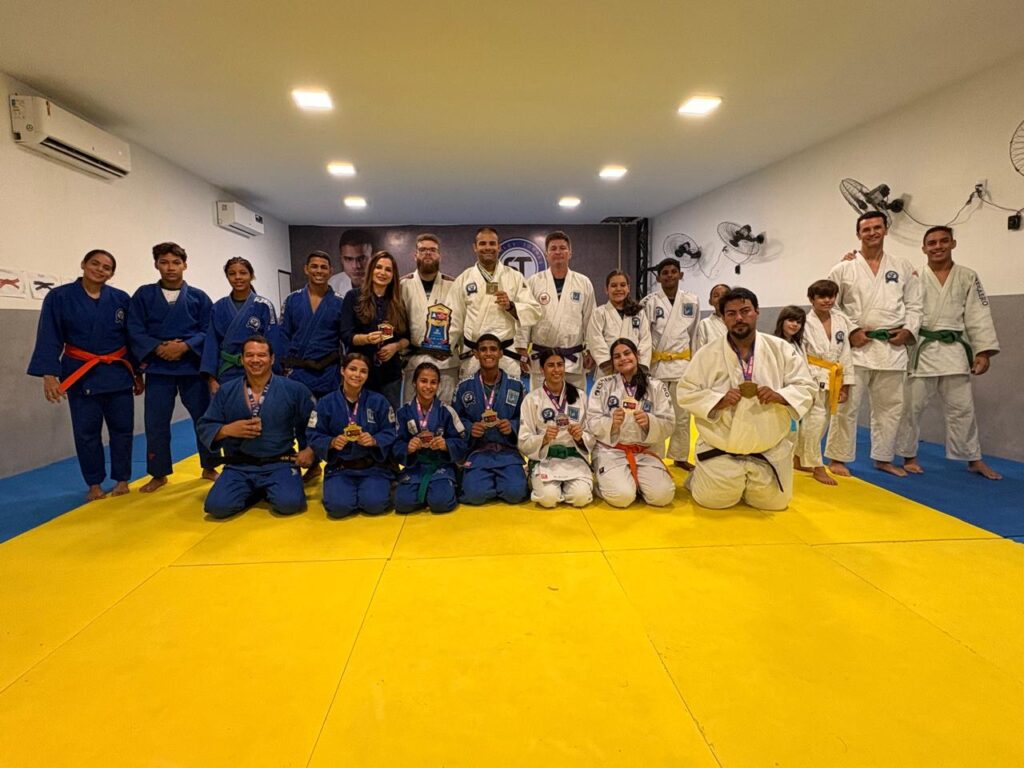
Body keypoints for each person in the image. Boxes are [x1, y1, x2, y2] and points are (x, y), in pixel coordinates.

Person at [678, 288, 817, 510]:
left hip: (768, 449)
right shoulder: (707, 353)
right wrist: (718, 400)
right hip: (720, 450)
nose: (739, 318)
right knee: (713, 502)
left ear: (757, 312)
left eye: (745, 311)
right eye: (731, 313)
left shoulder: (780, 348)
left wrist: (780, 396)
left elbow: (806, 386)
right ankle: (700, 477)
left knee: (775, 505)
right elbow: (686, 391)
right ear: (723, 318)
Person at [27, 249, 143, 501]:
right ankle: (94, 483)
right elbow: (49, 335)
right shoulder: (59, 297)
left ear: (112, 274)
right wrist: (49, 374)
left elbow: (131, 338)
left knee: (122, 430)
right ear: (83, 264)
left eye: (106, 267)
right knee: (86, 432)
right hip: (81, 374)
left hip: (117, 372)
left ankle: (122, 479)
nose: (100, 269)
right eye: (95, 263)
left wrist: (136, 372)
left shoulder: (121, 298)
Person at [895, 226, 1001, 479]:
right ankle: (909, 455)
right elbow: (901, 309)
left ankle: (973, 458)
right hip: (922, 349)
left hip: (954, 350)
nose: (938, 247)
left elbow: (978, 314)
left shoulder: (968, 276)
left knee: (963, 408)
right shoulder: (914, 276)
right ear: (924, 249)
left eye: (944, 241)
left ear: (953, 244)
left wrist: (983, 352)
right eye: (932, 243)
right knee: (911, 407)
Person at [825, 211, 923, 477]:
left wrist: (908, 331)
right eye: (866, 229)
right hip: (856, 347)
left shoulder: (903, 266)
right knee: (846, 405)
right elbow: (831, 305)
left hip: (892, 346)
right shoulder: (842, 269)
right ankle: (837, 457)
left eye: (877, 227)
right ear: (858, 234)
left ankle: (883, 458)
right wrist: (852, 330)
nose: (872, 233)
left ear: (885, 230)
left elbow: (914, 305)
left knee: (890, 409)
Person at [128, 242, 218, 493]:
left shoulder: (199, 297)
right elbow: (134, 329)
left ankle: (210, 465)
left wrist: (186, 346)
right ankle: (159, 474)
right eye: (164, 262)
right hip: (158, 368)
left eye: (176, 262)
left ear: (184, 265)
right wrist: (158, 347)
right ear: (156, 264)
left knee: (204, 418)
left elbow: (209, 330)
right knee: (156, 422)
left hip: (192, 367)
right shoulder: (144, 295)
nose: (170, 268)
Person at [196, 336, 315, 519]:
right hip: (240, 465)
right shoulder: (226, 391)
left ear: (272, 359)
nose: (255, 360)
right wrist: (227, 430)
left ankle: (266, 488)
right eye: (250, 355)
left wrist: (309, 450)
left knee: (289, 504)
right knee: (216, 507)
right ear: (242, 359)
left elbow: (315, 422)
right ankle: (257, 490)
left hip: (280, 462)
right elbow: (205, 425)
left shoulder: (294, 389)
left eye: (262, 355)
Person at [586, 338, 676, 508]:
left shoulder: (656, 386)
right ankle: (608, 483)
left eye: (627, 353)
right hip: (612, 451)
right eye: (617, 356)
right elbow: (591, 420)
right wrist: (611, 423)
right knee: (622, 497)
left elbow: (669, 422)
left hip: (644, 451)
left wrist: (649, 422)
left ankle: (635, 483)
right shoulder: (603, 385)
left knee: (663, 496)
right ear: (613, 362)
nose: (623, 358)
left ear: (637, 355)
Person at [279, 250, 345, 482]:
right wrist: (282, 368)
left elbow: (344, 338)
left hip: (329, 369)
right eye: (314, 266)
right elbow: (283, 335)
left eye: (323, 267)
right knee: (301, 419)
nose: (319, 271)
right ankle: (311, 463)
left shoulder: (339, 302)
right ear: (306, 269)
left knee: (331, 417)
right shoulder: (293, 300)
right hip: (299, 370)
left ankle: (335, 463)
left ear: (331, 271)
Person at [307, 353, 398, 517]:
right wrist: (331, 442)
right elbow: (313, 433)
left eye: (363, 371)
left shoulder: (379, 401)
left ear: (368, 375)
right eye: (352, 369)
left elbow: (391, 431)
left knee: (375, 505)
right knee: (338, 508)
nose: (357, 375)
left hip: (373, 467)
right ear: (343, 370)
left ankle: (380, 486)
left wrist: (374, 440)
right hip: (340, 468)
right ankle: (345, 490)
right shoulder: (326, 403)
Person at [448, 227, 542, 379]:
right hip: (473, 356)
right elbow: (454, 319)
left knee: (508, 393)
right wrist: (444, 347)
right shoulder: (463, 279)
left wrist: (511, 306)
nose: (487, 248)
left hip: (505, 355)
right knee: (472, 393)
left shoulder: (515, 277)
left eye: (492, 243)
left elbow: (534, 311)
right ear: (475, 247)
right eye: (482, 243)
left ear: (499, 247)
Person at [453, 334, 529, 504]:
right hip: (478, 452)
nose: (488, 353)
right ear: (476, 354)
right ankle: (480, 479)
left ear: (501, 353)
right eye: (483, 349)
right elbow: (456, 420)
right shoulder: (464, 387)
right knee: (475, 495)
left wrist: (512, 426)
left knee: (515, 494)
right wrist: (470, 428)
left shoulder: (517, 386)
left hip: (507, 453)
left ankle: (505, 481)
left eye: (493, 349)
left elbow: (527, 419)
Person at [515, 231, 596, 391]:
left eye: (562, 248)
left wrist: (591, 351)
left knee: (575, 403)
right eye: (553, 248)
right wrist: (522, 349)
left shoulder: (583, 283)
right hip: (542, 361)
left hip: (572, 360)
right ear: (546, 254)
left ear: (570, 253)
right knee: (540, 402)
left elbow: (590, 320)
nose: (558, 252)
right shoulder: (534, 282)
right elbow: (525, 319)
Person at [642, 257, 700, 469]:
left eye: (673, 272)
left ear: (680, 275)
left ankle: (680, 455)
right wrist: (643, 367)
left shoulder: (692, 301)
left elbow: (694, 334)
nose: (669, 276)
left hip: (682, 365)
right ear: (658, 278)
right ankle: (653, 454)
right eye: (665, 273)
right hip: (657, 365)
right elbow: (644, 336)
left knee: (682, 415)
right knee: (654, 413)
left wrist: (694, 365)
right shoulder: (649, 302)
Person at [518, 349, 594, 508]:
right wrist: (543, 439)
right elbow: (523, 440)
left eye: (560, 365)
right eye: (551, 365)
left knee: (580, 498)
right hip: (546, 459)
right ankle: (535, 477)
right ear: (542, 370)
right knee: (548, 499)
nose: (556, 369)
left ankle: (565, 487)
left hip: (574, 459)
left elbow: (592, 433)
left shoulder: (580, 396)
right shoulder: (532, 399)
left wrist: (580, 437)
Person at [797, 280, 854, 485]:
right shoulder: (804, 321)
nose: (827, 300)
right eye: (822, 296)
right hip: (812, 375)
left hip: (833, 374)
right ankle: (817, 466)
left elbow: (846, 353)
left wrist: (846, 384)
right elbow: (799, 352)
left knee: (823, 421)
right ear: (811, 299)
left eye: (831, 296)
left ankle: (798, 457)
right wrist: (803, 381)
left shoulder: (840, 320)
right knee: (815, 420)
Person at [393, 362, 468, 514]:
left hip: (440, 465)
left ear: (438, 385)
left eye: (433, 382)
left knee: (441, 504)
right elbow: (395, 444)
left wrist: (446, 444)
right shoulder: (403, 412)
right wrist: (407, 448)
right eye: (423, 381)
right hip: (415, 466)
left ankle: (443, 488)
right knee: (402, 504)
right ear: (414, 383)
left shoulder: (447, 411)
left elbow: (462, 441)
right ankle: (429, 492)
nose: (428, 386)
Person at [340, 250, 410, 409]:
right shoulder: (353, 297)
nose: (382, 273)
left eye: (388, 270)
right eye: (378, 267)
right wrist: (366, 339)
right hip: (360, 374)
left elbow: (407, 337)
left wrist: (395, 346)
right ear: (371, 269)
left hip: (390, 375)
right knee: (358, 416)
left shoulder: (397, 302)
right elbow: (346, 335)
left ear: (393, 275)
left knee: (389, 417)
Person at [200, 257, 279, 393]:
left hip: (257, 369)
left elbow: (273, 342)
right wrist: (211, 379)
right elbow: (211, 343)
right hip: (226, 370)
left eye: (243, 273)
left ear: (251, 276)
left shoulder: (264, 306)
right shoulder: (218, 307)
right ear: (227, 277)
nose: (237, 277)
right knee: (227, 405)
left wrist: (275, 374)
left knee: (257, 405)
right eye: (232, 273)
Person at [400, 233, 460, 405]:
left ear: (439, 255)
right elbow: (398, 323)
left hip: (446, 363)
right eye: (423, 250)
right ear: (415, 255)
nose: (428, 253)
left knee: (446, 412)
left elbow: (460, 322)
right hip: (415, 361)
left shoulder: (454, 285)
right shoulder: (402, 285)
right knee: (413, 414)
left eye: (432, 250)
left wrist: (446, 346)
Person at [586, 270, 652, 376]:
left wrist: (637, 365)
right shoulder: (599, 313)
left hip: (634, 369)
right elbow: (595, 341)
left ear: (628, 288)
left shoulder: (638, 313)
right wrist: (610, 365)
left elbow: (645, 339)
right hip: (609, 371)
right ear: (606, 289)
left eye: (622, 285)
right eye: (613, 285)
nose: (618, 289)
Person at [328, 228, 373, 297]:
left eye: (361, 258)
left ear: (373, 258)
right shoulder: (333, 284)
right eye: (348, 259)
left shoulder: (388, 285)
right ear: (341, 260)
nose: (356, 266)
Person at [694, 283, 730, 349]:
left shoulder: (737, 320)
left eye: (724, 295)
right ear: (710, 301)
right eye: (716, 296)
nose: (720, 298)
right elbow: (700, 350)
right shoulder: (705, 323)